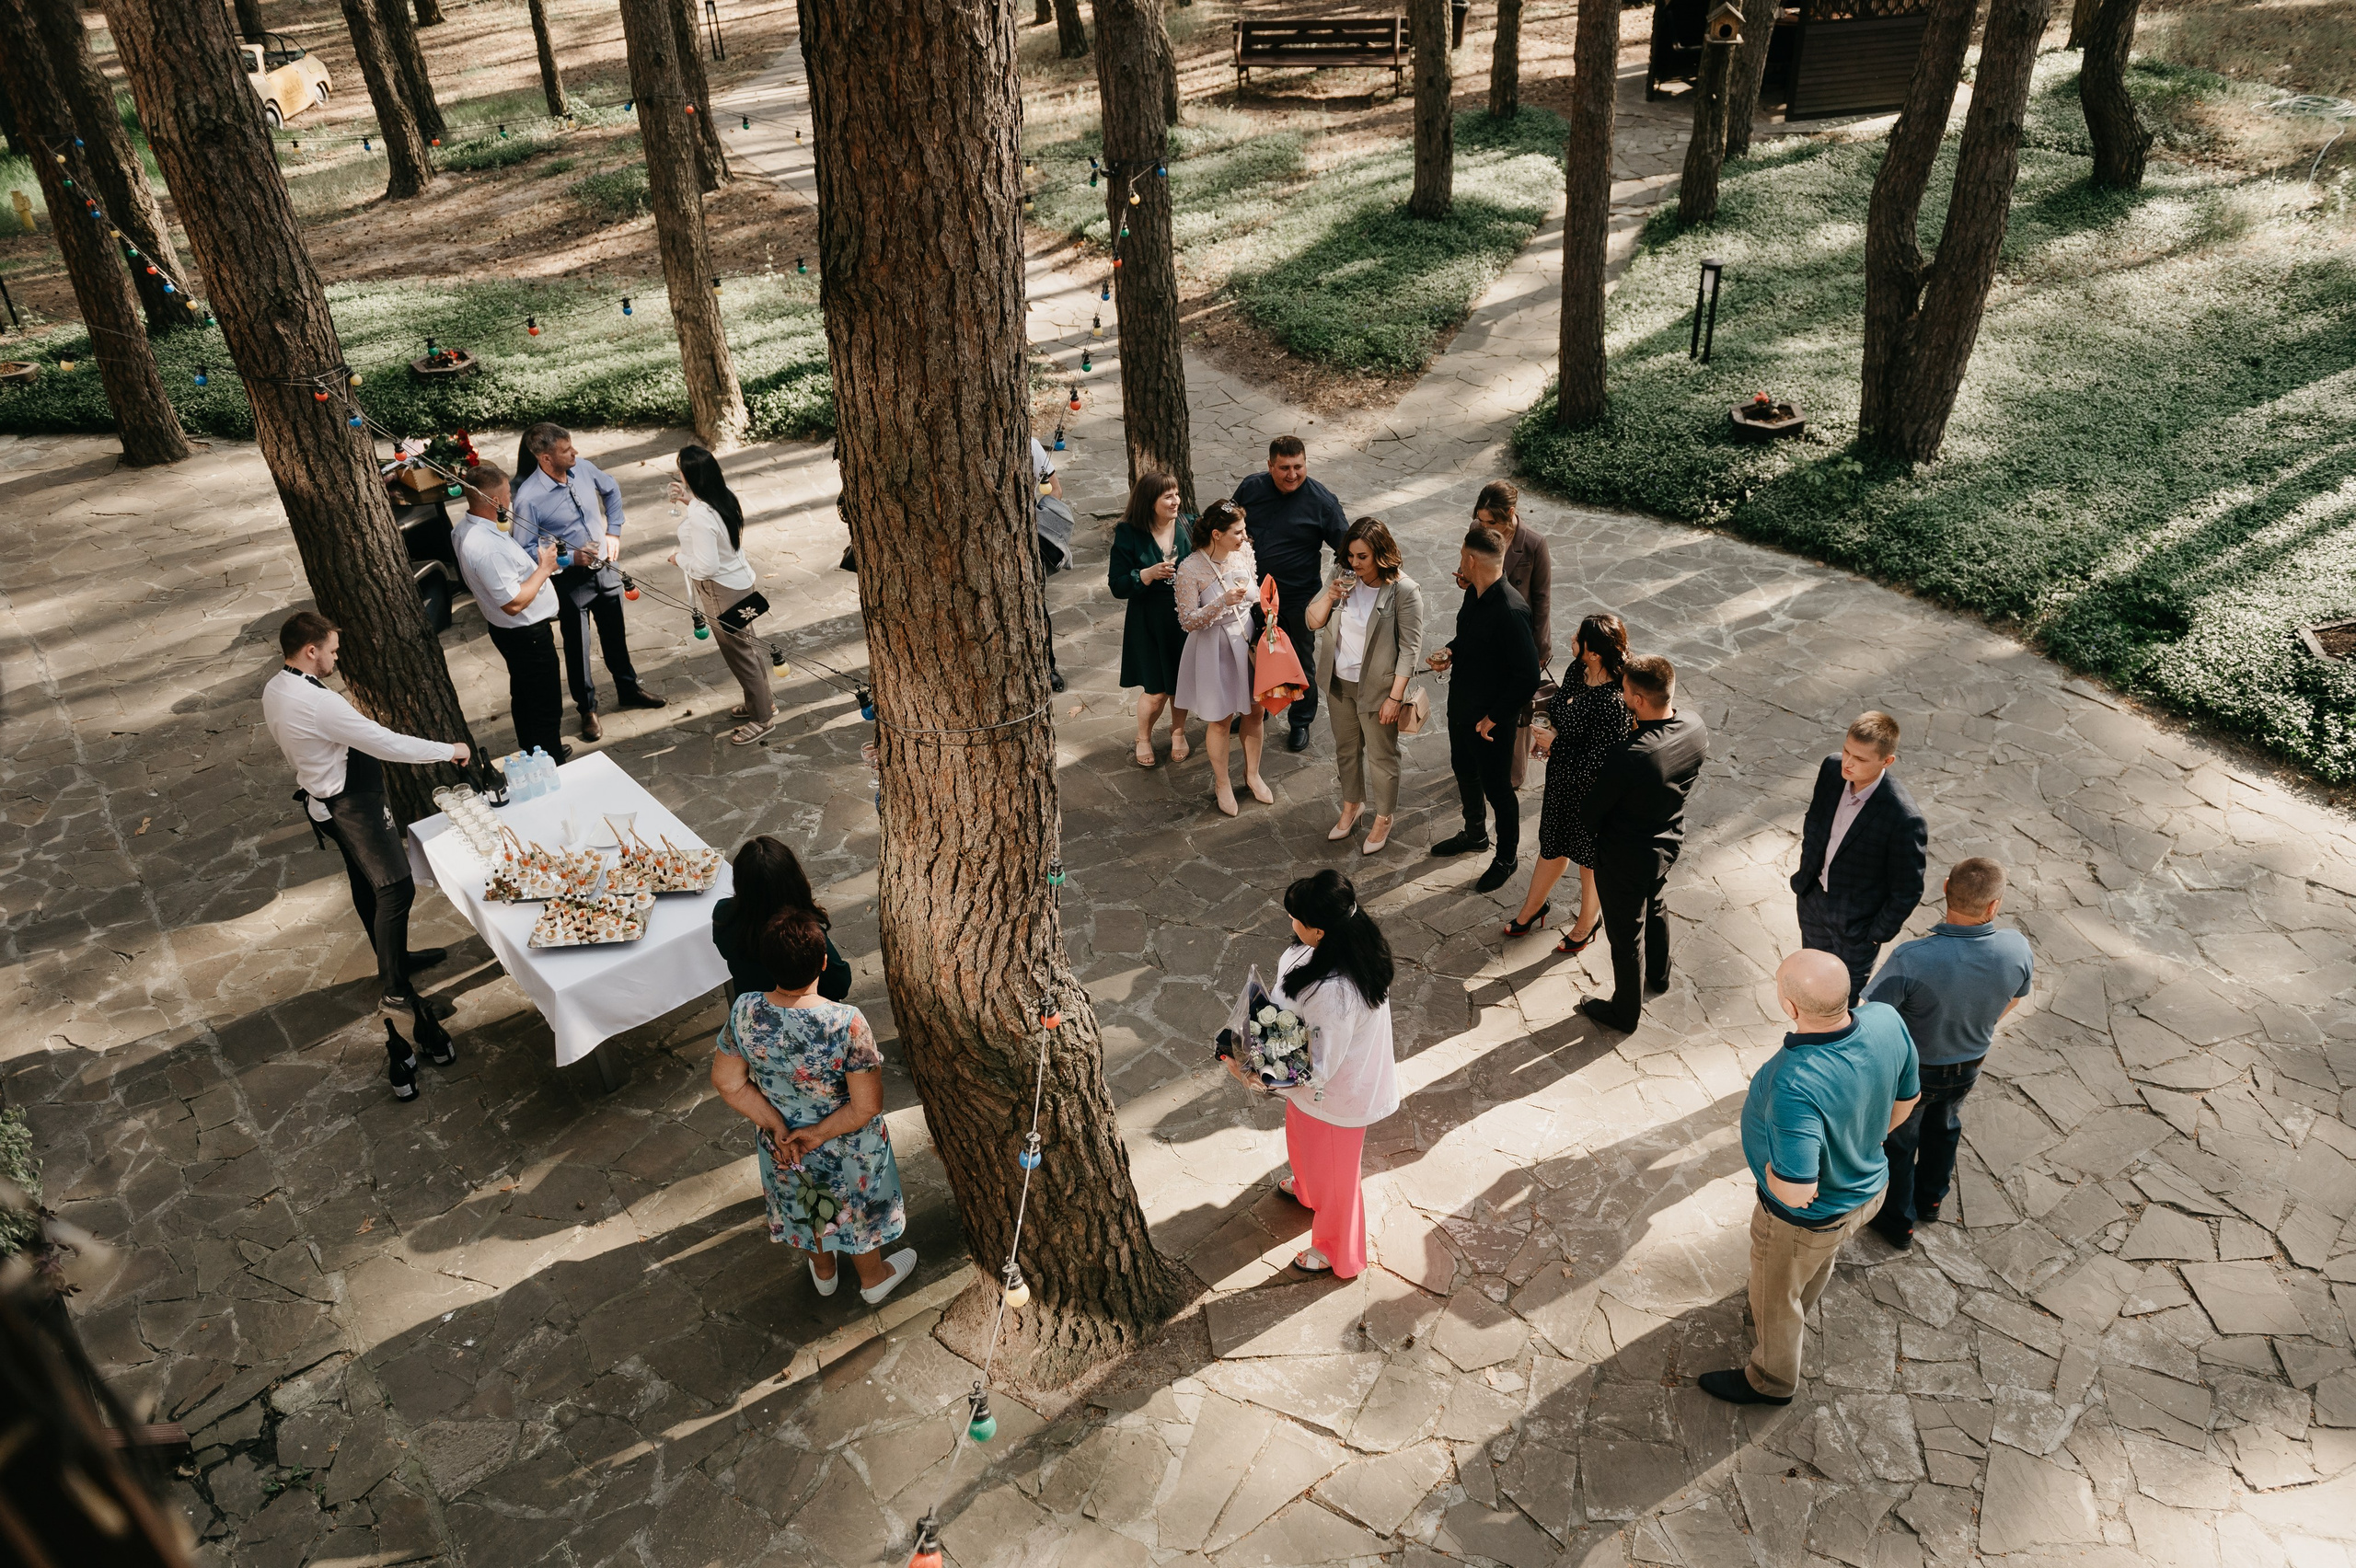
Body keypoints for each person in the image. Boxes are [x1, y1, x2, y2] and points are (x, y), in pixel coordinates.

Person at [1700, 949, 1920, 1406]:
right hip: (1870, 1189)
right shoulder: (1884, 1018)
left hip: (1804, 1219)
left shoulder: (1794, 1082)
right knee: (1816, 1263)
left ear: (1791, 1007)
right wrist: (1865, 1142)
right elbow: (1908, 1099)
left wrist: (1767, 1170)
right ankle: (1790, 1304)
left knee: (1778, 1293)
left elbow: (1798, 1193)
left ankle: (1771, 1380)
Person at [263, 612, 467, 1101]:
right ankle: (396, 988)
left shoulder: (276, 687)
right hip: (352, 807)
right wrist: (449, 749)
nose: (336, 658)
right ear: (310, 650)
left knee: (364, 882)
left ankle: (390, 958)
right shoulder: (318, 703)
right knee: (393, 886)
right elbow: (387, 743)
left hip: (324, 803)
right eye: (332, 650)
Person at [709, 908, 917, 1306]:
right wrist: (818, 1134)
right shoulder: (846, 1023)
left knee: (806, 1199)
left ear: (767, 963)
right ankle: (873, 1279)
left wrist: (777, 1127)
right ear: (823, 962)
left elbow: (727, 1081)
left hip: (784, 1145)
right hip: (846, 1145)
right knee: (853, 1208)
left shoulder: (746, 1011)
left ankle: (824, 1272)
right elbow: (867, 1105)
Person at [1220, 870, 1399, 1276]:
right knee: (1303, 1142)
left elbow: (1319, 1067)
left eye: (1295, 917)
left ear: (1318, 930)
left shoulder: (1335, 993)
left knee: (1338, 1178)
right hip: (1320, 1091)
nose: (1290, 922)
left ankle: (1339, 1251)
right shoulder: (1348, 942)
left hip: (1337, 1096)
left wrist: (1253, 1073)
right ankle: (1307, 1189)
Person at [1862, 858, 2032, 1250]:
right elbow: (2014, 999)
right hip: (1969, 1065)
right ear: (1994, 905)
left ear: (1944, 888)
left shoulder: (1912, 957)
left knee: (1900, 1140)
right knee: (1945, 1126)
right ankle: (1932, 1199)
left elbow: (1873, 1016)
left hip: (1914, 1072)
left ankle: (1897, 1223)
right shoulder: (2016, 947)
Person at [1576, 654, 1709, 1034]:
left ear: (1638, 701)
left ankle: (1625, 1013)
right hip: (1668, 841)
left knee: (1625, 934)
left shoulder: (1631, 755)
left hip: (1625, 858)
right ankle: (1661, 976)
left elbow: (1590, 815)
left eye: (1625, 691)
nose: (1621, 694)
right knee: (1658, 902)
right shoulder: (1694, 727)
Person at [511, 421, 665, 743]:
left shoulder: (584, 468)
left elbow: (611, 489)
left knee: (615, 634)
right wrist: (569, 560)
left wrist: (614, 531)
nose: (575, 453)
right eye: (566, 450)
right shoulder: (529, 499)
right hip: (568, 582)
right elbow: (525, 550)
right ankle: (588, 709)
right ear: (545, 458)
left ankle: (628, 688)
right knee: (577, 647)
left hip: (606, 569)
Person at [1426, 525, 1542, 893]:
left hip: (1490, 722)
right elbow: (1468, 639)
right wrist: (1450, 652)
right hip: (1462, 708)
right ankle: (1475, 833)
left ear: (1472, 560)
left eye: (1463, 556)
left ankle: (1506, 857)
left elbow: (1527, 675)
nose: (1460, 562)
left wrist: (1494, 717)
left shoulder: (1511, 610)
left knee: (1498, 790)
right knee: (1463, 769)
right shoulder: (1475, 594)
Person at [1506, 613, 1632, 945]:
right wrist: (1549, 733)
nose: (1571, 640)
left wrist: (1557, 745)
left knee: (1588, 860)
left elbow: (1603, 760)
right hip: (1562, 780)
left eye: (1578, 638)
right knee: (1553, 845)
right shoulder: (1577, 671)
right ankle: (1533, 908)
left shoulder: (1614, 701)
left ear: (1594, 652)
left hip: (1594, 793)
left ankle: (1588, 921)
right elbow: (1560, 708)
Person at [1302, 517, 1423, 856]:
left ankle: (1384, 817)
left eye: (1362, 557)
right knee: (1346, 750)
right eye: (1350, 556)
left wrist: (1395, 698)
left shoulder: (1404, 590)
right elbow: (1312, 621)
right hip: (1339, 682)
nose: (1354, 563)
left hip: (1379, 690)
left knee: (1382, 757)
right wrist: (1330, 595)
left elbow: (1410, 650)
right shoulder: (1340, 577)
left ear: (1381, 555)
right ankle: (1351, 805)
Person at [1793, 711, 1928, 1004]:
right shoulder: (1831, 769)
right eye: (1846, 751)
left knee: (1841, 1002)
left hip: (1858, 929)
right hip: (1813, 902)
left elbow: (1908, 889)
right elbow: (1815, 824)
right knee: (1810, 983)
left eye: (1861, 759)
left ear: (1886, 761)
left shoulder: (1903, 817)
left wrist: (1876, 933)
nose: (1848, 763)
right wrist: (1804, 882)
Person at [1230, 435, 1349, 754]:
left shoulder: (1322, 502)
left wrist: (1334, 589)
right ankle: (1255, 708)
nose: (1292, 474)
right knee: (1253, 654)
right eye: (1284, 468)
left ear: (1305, 463)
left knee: (1299, 661)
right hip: (1253, 592)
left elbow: (1347, 548)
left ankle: (1301, 721)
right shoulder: (1250, 489)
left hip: (1299, 597)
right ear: (1270, 466)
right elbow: (1231, 523)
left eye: (1298, 466)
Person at [451, 464, 569, 765]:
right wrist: (544, 569)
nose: (512, 500)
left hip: (509, 632)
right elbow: (513, 603)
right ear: (496, 502)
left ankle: (536, 752)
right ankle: (550, 761)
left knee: (526, 698)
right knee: (545, 706)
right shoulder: (487, 546)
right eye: (508, 494)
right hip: (524, 635)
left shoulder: (464, 528)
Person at [665, 444, 775, 746]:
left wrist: (678, 559)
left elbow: (705, 566)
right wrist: (689, 501)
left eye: (680, 469)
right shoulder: (721, 497)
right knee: (748, 647)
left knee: (740, 654)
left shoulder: (702, 514)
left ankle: (763, 717)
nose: (677, 474)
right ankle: (761, 702)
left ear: (690, 475)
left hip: (722, 593)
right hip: (741, 583)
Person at [1173, 501, 1271, 816]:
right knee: (1221, 719)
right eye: (1238, 532)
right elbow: (1188, 621)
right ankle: (1222, 783)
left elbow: (1255, 591)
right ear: (1217, 534)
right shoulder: (1190, 568)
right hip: (1216, 647)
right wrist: (1221, 602)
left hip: (1249, 641)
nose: (1245, 537)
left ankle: (1252, 774)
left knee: (1256, 712)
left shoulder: (1244, 552)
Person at [1108, 471, 1193, 767]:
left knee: (1181, 684)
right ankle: (1143, 737)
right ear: (1150, 501)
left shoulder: (1187, 524)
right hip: (1148, 622)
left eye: (1177, 494)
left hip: (1184, 618)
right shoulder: (1129, 533)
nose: (1176, 501)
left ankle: (1178, 731)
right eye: (1168, 496)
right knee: (1156, 692)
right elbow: (1117, 584)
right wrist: (1146, 574)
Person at [1472, 481, 1553, 790]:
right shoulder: (1477, 530)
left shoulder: (1533, 543)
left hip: (1517, 635)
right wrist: (1465, 580)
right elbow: (1469, 567)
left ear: (1510, 514)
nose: (1484, 526)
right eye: (1480, 520)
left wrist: (1540, 647)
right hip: (1484, 630)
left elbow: (1542, 598)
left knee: (1518, 707)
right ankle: (1482, 761)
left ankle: (1513, 775)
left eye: (1491, 522)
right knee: (1484, 697)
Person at [711, 836, 853, 1003]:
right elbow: (840, 985)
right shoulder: (803, 934)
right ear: (794, 880)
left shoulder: (724, 915)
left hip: (752, 1008)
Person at [1034, 436, 1070, 695]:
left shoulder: (1030, 445)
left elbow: (1055, 489)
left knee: (1037, 604)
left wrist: (1039, 521)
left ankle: (1048, 667)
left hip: (1024, 537)